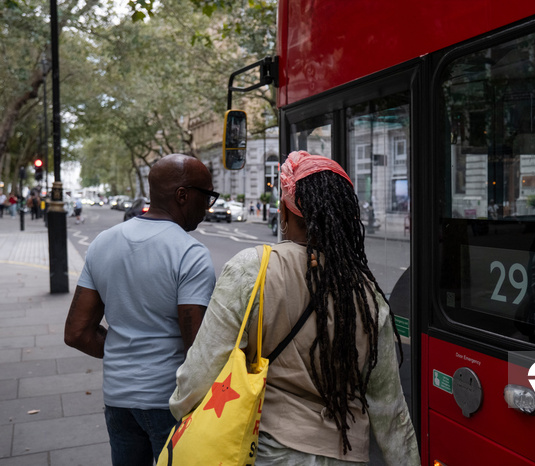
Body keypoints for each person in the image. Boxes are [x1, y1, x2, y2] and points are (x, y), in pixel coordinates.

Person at [170, 150, 419, 465]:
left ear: (284, 214)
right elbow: (390, 410)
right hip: (344, 455)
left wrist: (181, 411)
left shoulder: (253, 270)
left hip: (268, 453)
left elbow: (201, 372)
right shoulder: (367, 295)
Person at [64, 154, 217, 466]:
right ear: (183, 195)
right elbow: (198, 349)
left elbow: (77, 332)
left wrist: (125, 354)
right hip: (168, 403)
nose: (209, 206)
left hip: (118, 399)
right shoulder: (190, 253)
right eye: (207, 196)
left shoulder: (103, 242)